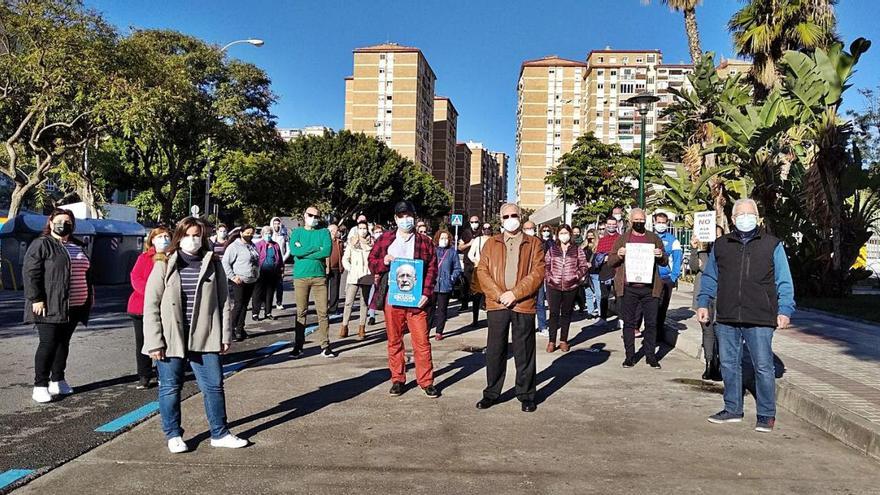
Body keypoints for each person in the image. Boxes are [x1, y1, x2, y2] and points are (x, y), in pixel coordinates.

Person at [142, 216, 247, 453]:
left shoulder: (213, 263)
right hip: (172, 336)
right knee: (170, 387)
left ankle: (219, 433)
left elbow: (223, 302)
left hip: (205, 335)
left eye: (197, 235)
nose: (192, 240)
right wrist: (154, 341)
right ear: (179, 237)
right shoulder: (164, 263)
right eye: (188, 235)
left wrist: (225, 335)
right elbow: (151, 305)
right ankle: (173, 434)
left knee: (214, 385)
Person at [698, 198, 795, 433]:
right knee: (729, 364)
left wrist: (785, 310)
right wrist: (703, 304)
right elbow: (710, 277)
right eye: (740, 214)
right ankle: (732, 409)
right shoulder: (721, 245)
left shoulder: (772, 245)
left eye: (749, 214)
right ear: (732, 219)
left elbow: (784, 280)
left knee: (763, 366)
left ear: (758, 217)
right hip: (728, 315)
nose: (745, 218)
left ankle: (766, 414)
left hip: (760, 316)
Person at [475, 203, 545, 413]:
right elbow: (482, 271)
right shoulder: (491, 244)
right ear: (501, 219)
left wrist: (515, 293)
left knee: (524, 351)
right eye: (506, 216)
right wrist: (499, 295)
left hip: (522, 304)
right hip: (497, 304)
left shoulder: (534, 243)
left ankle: (526, 394)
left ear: (521, 217)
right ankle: (492, 392)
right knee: (495, 350)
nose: (511, 219)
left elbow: (538, 272)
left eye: (514, 215)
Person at [368, 201, 439, 398]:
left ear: (415, 218)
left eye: (409, 215)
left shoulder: (424, 241)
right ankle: (398, 379)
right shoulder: (385, 239)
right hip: (393, 298)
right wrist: (384, 261)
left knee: (422, 342)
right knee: (394, 341)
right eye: (401, 216)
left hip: (416, 301)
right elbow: (372, 263)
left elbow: (432, 269)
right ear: (395, 219)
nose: (405, 219)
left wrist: (426, 293)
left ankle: (426, 381)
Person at [24, 209, 94, 403]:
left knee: (63, 343)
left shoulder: (77, 245)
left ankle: (58, 379)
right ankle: (40, 385)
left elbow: (86, 273)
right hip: (49, 305)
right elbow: (31, 273)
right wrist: (36, 298)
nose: (64, 224)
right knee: (48, 343)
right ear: (51, 222)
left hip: (75, 305)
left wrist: (90, 295)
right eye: (60, 220)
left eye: (68, 221)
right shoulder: (42, 244)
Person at [607, 208, 668, 369]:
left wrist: (660, 255)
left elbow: (665, 261)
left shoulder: (653, 238)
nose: (639, 222)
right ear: (630, 220)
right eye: (636, 220)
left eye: (642, 220)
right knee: (629, 323)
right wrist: (619, 255)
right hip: (628, 288)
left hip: (650, 288)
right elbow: (610, 262)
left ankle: (650, 356)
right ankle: (629, 356)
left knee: (651, 323)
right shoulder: (622, 239)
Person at [127, 226, 171, 390]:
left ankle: (163, 373)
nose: (163, 239)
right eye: (159, 236)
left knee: (165, 341)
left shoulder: (173, 257)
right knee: (143, 343)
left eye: (166, 236)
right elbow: (135, 278)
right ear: (152, 239)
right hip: (141, 306)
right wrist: (153, 292)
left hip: (166, 307)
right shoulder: (144, 257)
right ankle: (144, 375)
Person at [289, 206, 335, 358]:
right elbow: (295, 252)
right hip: (300, 277)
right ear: (304, 215)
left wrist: (305, 251)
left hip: (319, 277)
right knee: (301, 312)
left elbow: (326, 251)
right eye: (311, 215)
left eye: (317, 216)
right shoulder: (297, 232)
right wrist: (316, 248)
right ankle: (298, 345)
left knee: (323, 312)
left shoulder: (324, 232)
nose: (314, 218)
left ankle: (325, 345)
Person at [544, 224, 589, 353]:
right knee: (553, 313)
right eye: (561, 233)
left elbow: (583, 266)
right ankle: (552, 341)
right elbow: (545, 265)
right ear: (557, 235)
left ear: (570, 234)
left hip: (571, 285)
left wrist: (576, 277)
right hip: (554, 285)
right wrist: (549, 277)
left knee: (566, 313)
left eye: (566, 233)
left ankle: (563, 340)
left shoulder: (577, 250)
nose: (564, 235)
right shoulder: (552, 250)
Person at [691, 226, 724, 380]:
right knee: (707, 331)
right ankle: (709, 363)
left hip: (721, 297)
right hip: (703, 296)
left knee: (719, 331)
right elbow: (693, 267)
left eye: (718, 235)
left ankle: (718, 363)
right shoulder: (702, 253)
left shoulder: (725, 255)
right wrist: (694, 248)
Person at [221, 225, 259, 341]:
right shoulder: (234, 246)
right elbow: (225, 262)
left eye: (252, 233)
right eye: (247, 233)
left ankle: (240, 329)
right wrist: (232, 277)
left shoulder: (252, 246)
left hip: (251, 279)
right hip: (239, 280)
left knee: (244, 306)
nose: (250, 235)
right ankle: (230, 329)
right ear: (241, 233)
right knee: (238, 305)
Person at [340, 220, 373, 340]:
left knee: (364, 303)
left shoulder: (372, 243)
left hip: (367, 276)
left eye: (365, 228)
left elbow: (374, 259)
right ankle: (344, 326)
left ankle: (361, 327)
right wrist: (350, 269)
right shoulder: (352, 243)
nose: (363, 231)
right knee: (349, 302)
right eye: (360, 228)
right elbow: (345, 259)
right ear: (357, 229)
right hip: (354, 276)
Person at [653, 212, 683, 342]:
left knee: (662, 307)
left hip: (666, 279)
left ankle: (658, 333)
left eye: (663, 222)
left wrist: (673, 277)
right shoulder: (649, 237)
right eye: (658, 222)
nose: (661, 225)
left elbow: (677, 260)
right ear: (654, 222)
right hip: (651, 278)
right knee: (651, 306)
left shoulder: (673, 240)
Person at [430, 229, 462, 341]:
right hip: (432, 284)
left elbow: (457, 268)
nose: (444, 240)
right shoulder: (433, 250)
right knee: (430, 309)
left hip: (445, 285)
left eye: (446, 238)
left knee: (442, 310)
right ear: (437, 239)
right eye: (442, 238)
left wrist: (451, 278)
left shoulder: (452, 252)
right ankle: (426, 330)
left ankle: (439, 331)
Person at [252, 226, 284, 321]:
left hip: (273, 272)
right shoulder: (258, 245)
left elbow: (280, 259)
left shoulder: (276, 245)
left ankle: (268, 312)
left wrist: (281, 270)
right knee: (257, 293)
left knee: (270, 293)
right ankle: (255, 313)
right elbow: (254, 258)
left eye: (269, 233)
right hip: (261, 271)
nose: (268, 235)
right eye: (266, 233)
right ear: (262, 234)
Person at [593, 216, 621, 321]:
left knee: (619, 296)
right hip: (604, 271)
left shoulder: (621, 238)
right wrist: (602, 258)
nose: (611, 226)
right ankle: (602, 318)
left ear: (617, 225)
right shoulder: (602, 240)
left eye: (613, 224)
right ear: (606, 225)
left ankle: (621, 319)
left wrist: (611, 257)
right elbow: (598, 255)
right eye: (609, 224)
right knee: (604, 296)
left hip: (618, 270)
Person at [467, 220, 493, 327]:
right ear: (482, 230)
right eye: (485, 228)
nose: (487, 230)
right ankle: (475, 319)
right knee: (476, 295)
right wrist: (475, 261)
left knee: (490, 296)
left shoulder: (494, 240)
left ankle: (491, 319)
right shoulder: (478, 240)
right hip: (478, 269)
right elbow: (470, 254)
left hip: (491, 271)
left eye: (489, 228)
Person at [457, 215, 481, 312]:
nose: (474, 224)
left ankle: (481, 304)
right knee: (466, 284)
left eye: (476, 222)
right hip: (468, 262)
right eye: (472, 222)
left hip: (479, 262)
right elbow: (460, 247)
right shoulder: (466, 233)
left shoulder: (482, 232)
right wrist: (469, 244)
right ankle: (464, 304)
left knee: (480, 284)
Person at [535, 224, 554, 336]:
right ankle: (542, 326)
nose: (546, 232)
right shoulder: (538, 242)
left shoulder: (554, 243)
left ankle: (552, 323)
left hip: (551, 274)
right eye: (544, 230)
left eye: (548, 230)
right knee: (540, 302)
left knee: (552, 302)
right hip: (541, 273)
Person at [270, 217, 290, 310]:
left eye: (278, 223)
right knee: (268, 284)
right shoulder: (269, 235)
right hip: (269, 263)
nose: (276, 225)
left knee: (279, 284)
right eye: (275, 223)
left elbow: (288, 250)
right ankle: (266, 302)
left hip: (280, 263)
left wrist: (282, 260)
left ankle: (279, 302)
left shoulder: (283, 236)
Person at [326, 224, 345, 315]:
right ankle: (323, 308)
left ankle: (333, 308)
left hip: (337, 268)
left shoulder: (340, 242)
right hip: (326, 268)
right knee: (323, 290)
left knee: (335, 289)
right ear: (332, 231)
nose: (338, 232)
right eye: (337, 230)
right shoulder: (325, 241)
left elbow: (342, 254)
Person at [584, 229, 601, 317]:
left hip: (596, 273)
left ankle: (600, 312)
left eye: (592, 236)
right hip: (587, 273)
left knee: (598, 294)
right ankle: (590, 311)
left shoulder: (599, 247)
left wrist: (592, 264)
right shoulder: (584, 247)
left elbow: (600, 260)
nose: (590, 238)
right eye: (588, 236)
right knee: (588, 293)